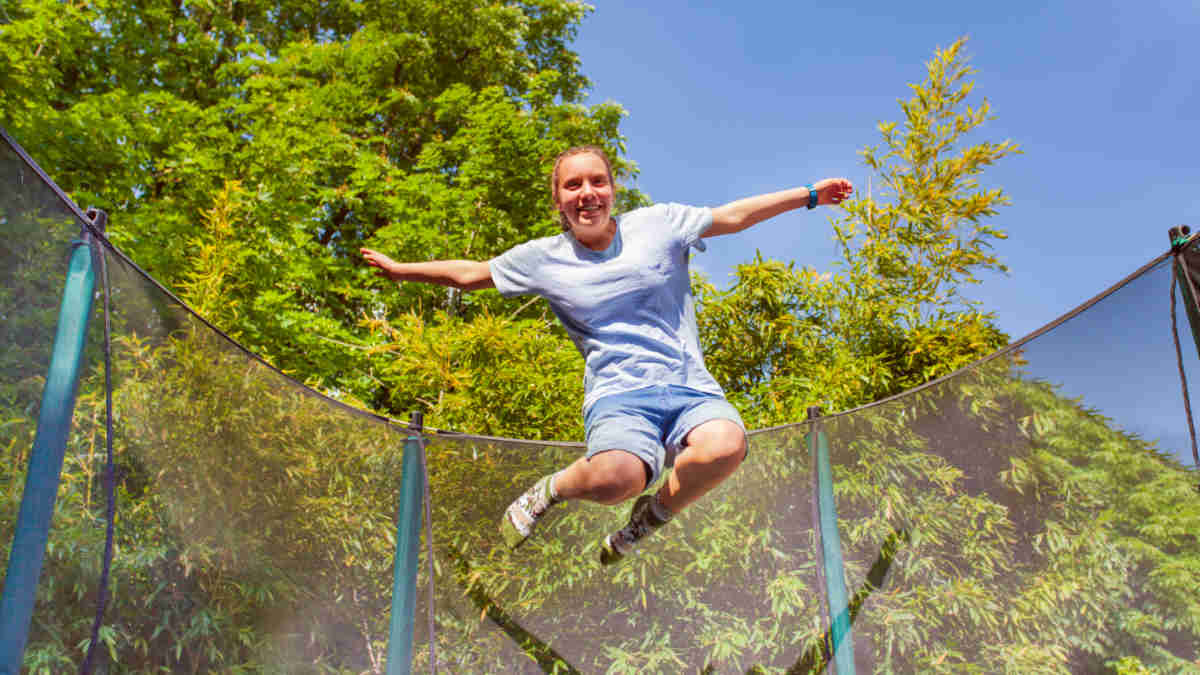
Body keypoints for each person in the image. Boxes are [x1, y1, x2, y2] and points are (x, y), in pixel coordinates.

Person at [361, 145, 853, 565]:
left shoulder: (658, 225)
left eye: (597, 181)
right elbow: (470, 274)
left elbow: (734, 215)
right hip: (619, 396)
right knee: (617, 478)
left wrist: (808, 195)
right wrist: (401, 271)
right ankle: (550, 490)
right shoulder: (544, 258)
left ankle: (649, 518)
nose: (587, 193)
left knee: (725, 445)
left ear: (613, 189)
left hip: (688, 388)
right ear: (558, 200)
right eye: (573, 185)